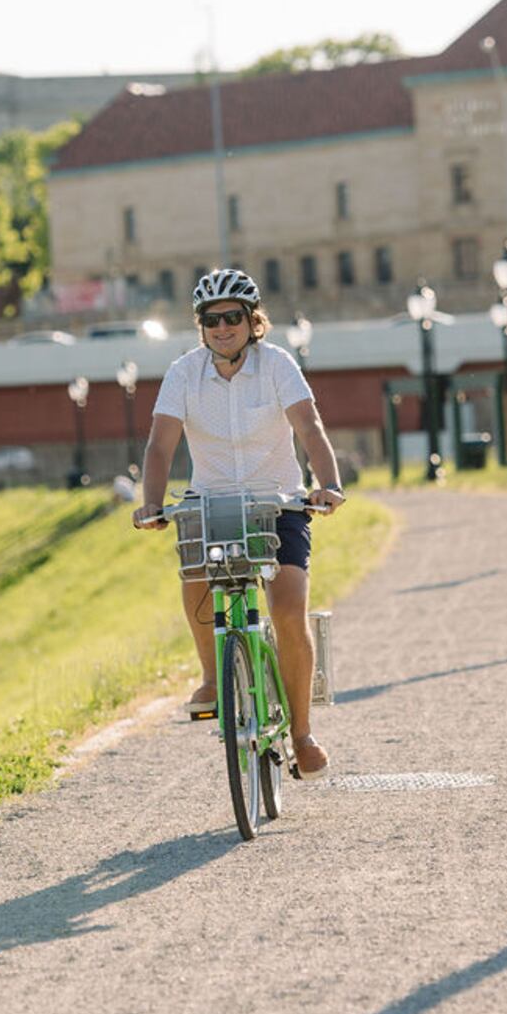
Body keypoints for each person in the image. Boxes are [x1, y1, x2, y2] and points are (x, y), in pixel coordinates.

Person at [133, 268, 345, 781]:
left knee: (290, 612)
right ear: (200, 326)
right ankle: (212, 676)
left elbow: (309, 428)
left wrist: (328, 483)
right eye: (211, 320)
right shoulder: (184, 373)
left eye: (233, 317)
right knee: (195, 577)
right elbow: (160, 445)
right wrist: (152, 504)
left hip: (281, 504)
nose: (222, 327)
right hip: (211, 503)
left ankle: (301, 734)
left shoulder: (278, 366)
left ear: (253, 322)